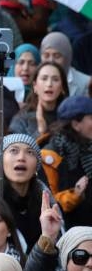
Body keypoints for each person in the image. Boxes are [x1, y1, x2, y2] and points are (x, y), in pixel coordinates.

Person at [41, 95, 92, 228]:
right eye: (91, 118)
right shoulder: (49, 156)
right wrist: (75, 194)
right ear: (76, 124)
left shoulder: (86, 147)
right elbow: (48, 202)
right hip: (67, 232)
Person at [9, 61, 68, 137]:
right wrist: (40, 132)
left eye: (55, 79)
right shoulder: (21, 119)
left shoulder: (70, 118)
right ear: (35, 86)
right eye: (44, 79)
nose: (49, 84)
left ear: (62, 87)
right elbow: (15, 147)